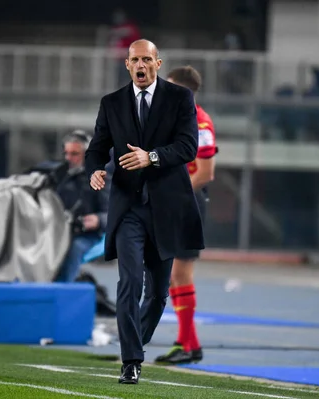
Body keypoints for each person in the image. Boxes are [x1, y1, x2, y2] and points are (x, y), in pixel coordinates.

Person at [85, 39, 204, 385]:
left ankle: (135, 340)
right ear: (127, 65)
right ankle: (131, 360)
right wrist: (94, 169)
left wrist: (150, 156)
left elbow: (188, 146)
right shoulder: (111, 103)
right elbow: (97, 148)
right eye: (134, 59)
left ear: (157, 63)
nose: (140, 65)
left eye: (146, 60)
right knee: (130, 282)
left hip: (167, 208)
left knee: (157, 293)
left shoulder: (180, 98)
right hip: (128, 207)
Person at [154, 66, 217, 365]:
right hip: (179, 201)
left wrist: (175, 195)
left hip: (188, 202)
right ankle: (186, 342)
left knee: (179, 274)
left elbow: (206, 173)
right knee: (174, 276)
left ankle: (190, 345)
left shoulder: (201, 124)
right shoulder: (180, 119)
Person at [53, 130, 109, 283]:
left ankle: (64, 288)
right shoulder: (60, 176)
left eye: (74, 154)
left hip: (88, 234)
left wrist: (98, 220)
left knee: (73, 248)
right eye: (66, 153)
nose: (68, 158)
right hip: (60, 230)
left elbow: (113, 213)